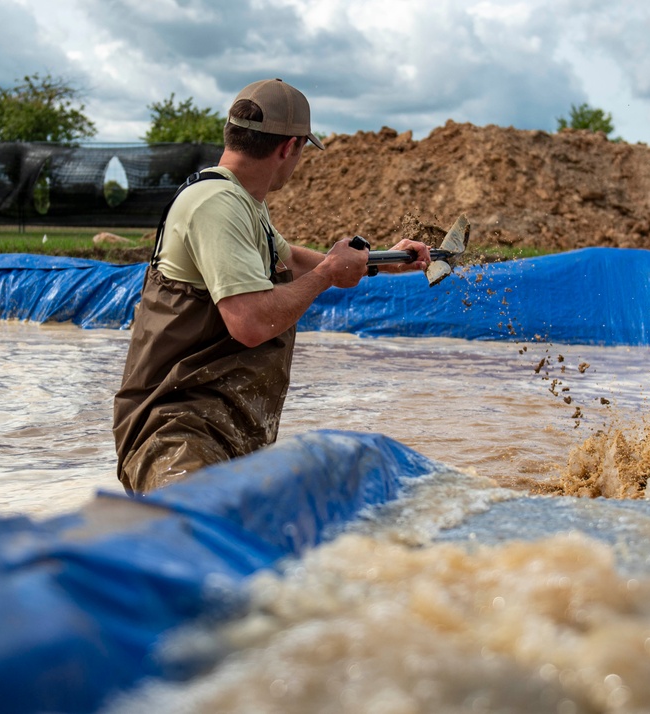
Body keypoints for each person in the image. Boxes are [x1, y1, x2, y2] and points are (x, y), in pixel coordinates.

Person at [113, 78, 430, 494]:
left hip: (218, 429)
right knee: (199, 541)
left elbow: (290, 259)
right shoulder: (216, 206)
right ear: (289, 148)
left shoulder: (242, 201)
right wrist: (326, 276)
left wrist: (383, 262)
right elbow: (250, 322)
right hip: (177, 434)